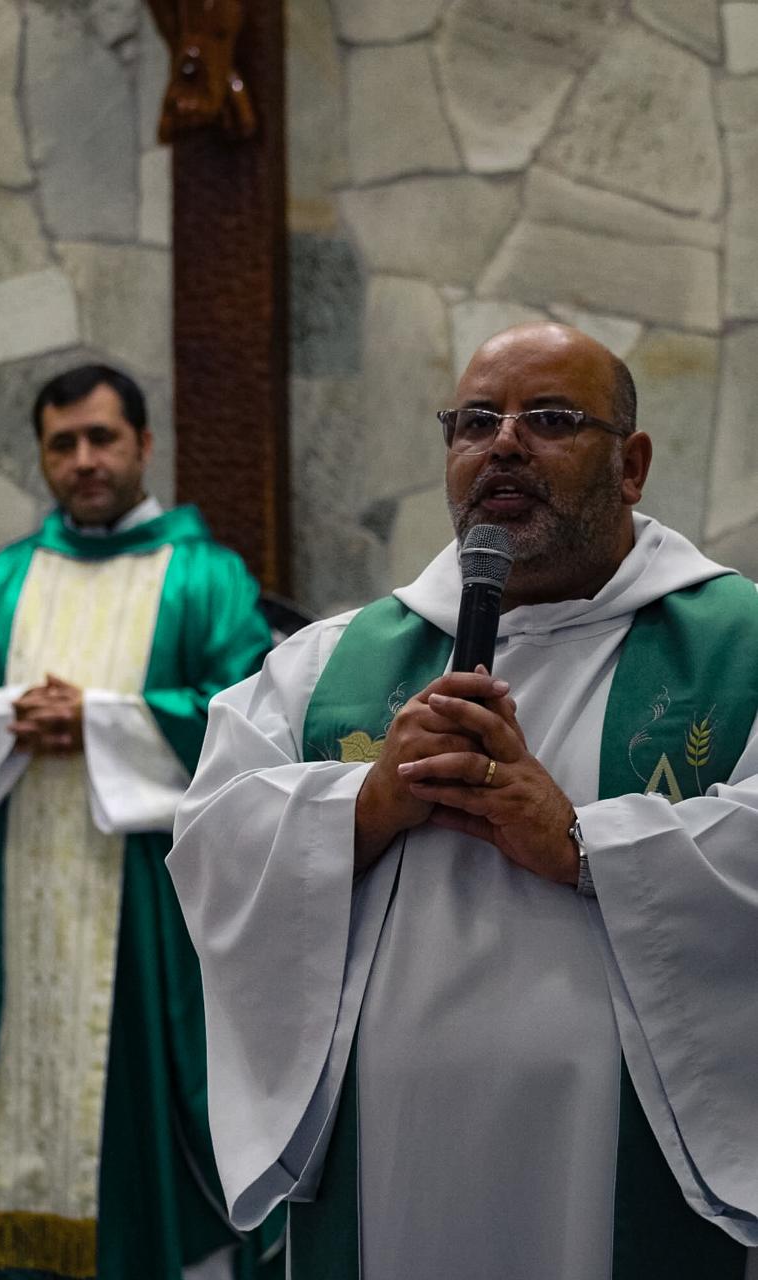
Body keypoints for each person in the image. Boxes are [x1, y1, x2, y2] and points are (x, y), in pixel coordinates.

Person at [168, 323, 758, 1280]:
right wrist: (363, 803)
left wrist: (580, 841)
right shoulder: (331, 662)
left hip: (625, 1162)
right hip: (391, 1157)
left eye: (551, 418)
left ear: (633, 463)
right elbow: (210, 839)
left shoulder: (739, 645)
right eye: (476, 421)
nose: (504, 443)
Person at [0, 365, 280, 1280]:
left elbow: (249, 716)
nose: (84, 460)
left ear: (144, 445)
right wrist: (4, 713)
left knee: (140, 1115)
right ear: (43, 457)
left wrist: (100, 720)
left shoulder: (205, 578)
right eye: (62, 444)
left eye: (101, 438)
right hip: (5, 906)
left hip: (144, 913)